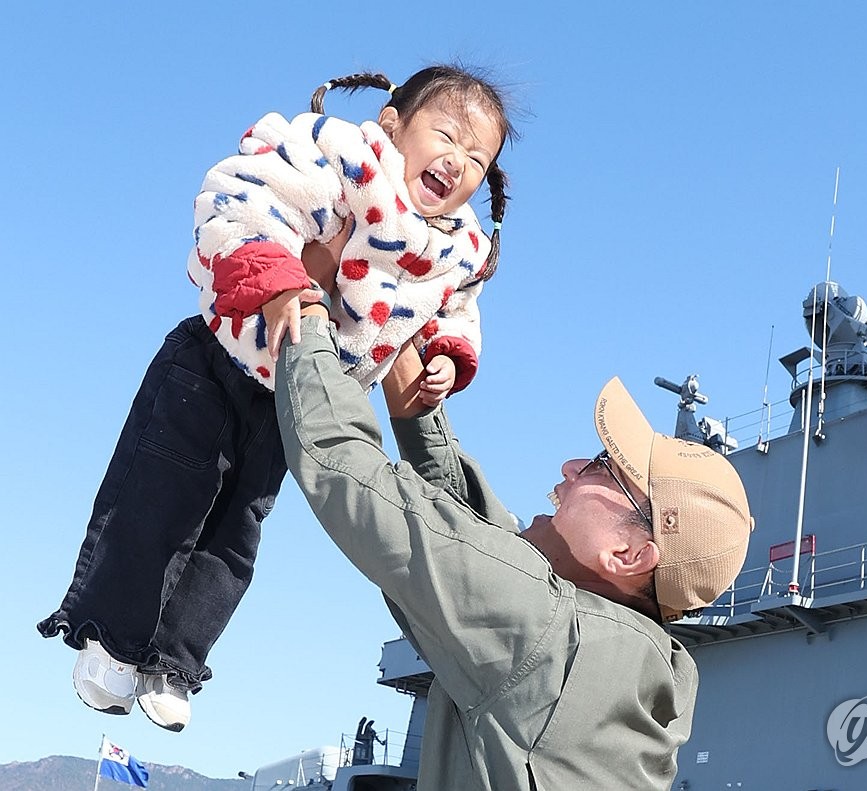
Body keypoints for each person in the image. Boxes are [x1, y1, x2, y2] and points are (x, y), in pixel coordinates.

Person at [37, 65, 514, 732]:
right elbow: (249, 196)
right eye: (447, 136)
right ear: (391, 123)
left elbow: (455, 313)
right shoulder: (348, 161)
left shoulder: (454, 249)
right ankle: (111, 643)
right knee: (159, 502)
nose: (458, 162)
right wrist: (281, 279)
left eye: (477, 158)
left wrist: (445, 356)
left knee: (235, 537)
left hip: (291, 401)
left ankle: (175, 663)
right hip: (219, 356)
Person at [273, 305, 755, 790]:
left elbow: (341, 465)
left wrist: (305, 309)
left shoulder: (552, 640)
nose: (571, 466)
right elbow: (482, 533)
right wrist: (404, 367)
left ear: (629, 555)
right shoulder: (638, 660)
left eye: (603, 467)